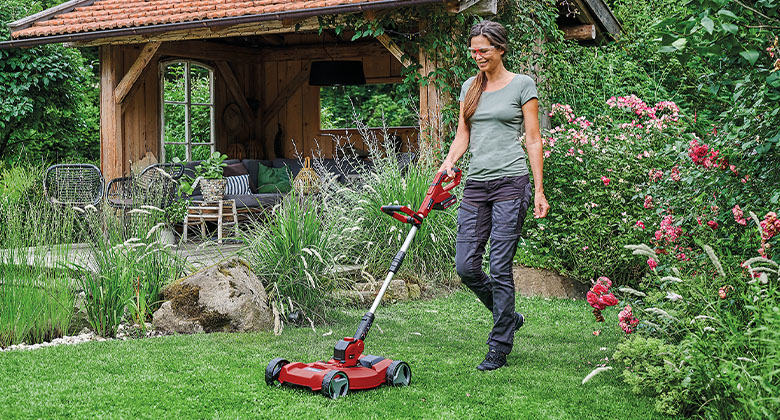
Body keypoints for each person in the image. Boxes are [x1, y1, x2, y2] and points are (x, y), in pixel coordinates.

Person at [439, 20, 550, 371]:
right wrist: (449, 162)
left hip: (511, 183)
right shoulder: (469, 88)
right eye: (473, 51)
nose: (477, 57)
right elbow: (462, 135)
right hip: (475, 185)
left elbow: (533, 138)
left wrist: (539, 191)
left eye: (483, 50)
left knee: (500, 267)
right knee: (466, 266)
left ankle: (499, 346)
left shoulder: (522, 85)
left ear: (501, 49)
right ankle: (508, 315)